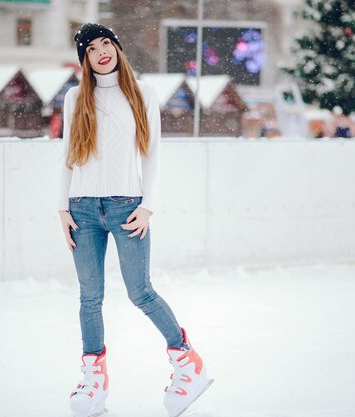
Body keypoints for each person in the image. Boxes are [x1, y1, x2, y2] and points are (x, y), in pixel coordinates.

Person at [57, 23, 213, 417]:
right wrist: (62, 207)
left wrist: (148, 204)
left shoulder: (142, 92)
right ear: (85, 60)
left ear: (117, 47)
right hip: (82, 208)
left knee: (139, 291)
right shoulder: (76, 97)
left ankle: (186, 361)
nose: (101, 52)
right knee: (89, 297)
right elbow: (68, 156)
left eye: (106, 43)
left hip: (128, 206)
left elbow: (152, 153)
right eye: (91, 49)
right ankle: (94, 378)